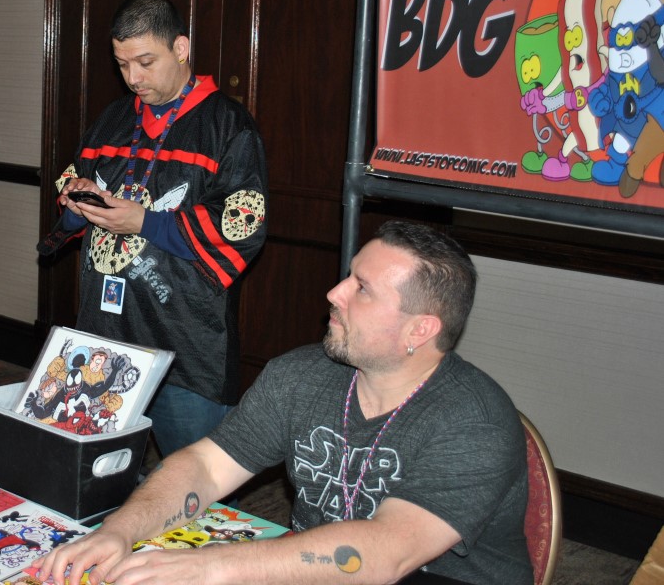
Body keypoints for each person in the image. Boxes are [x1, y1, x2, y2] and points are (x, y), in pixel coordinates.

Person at [35, 221, 532, 585]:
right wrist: (119, 530)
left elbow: (387, 554)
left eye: (362, 289)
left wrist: (209, 567)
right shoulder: (301, 374)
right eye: (349, 276)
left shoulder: (476, 421)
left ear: (419, 330)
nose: (334, 293)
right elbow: (205, 467)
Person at [38, 0, 268, 458]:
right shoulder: (113, 119)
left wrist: (142, 221)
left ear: (180, 48)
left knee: (194, 479)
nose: (133, 78)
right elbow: (72, 190)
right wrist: (79, 204)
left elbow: (240, 224)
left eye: (145, 62)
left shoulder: (227, 125)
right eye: (122, 64)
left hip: (183, 341)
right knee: (100, 471)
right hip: (104, 336)